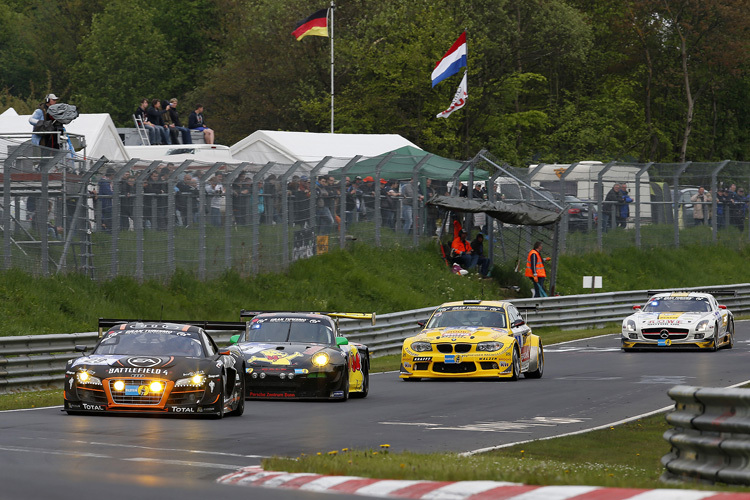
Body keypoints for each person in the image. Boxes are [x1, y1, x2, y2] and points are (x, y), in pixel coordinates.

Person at [97, 168, 115, 232]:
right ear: (112, 175)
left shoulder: (107, 182)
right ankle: (105, 232)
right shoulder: (104, 182)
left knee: (107, 219)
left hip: (107, 203)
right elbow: (108, 192)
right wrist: (115, 194)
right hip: (105, 203)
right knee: (106, 219)